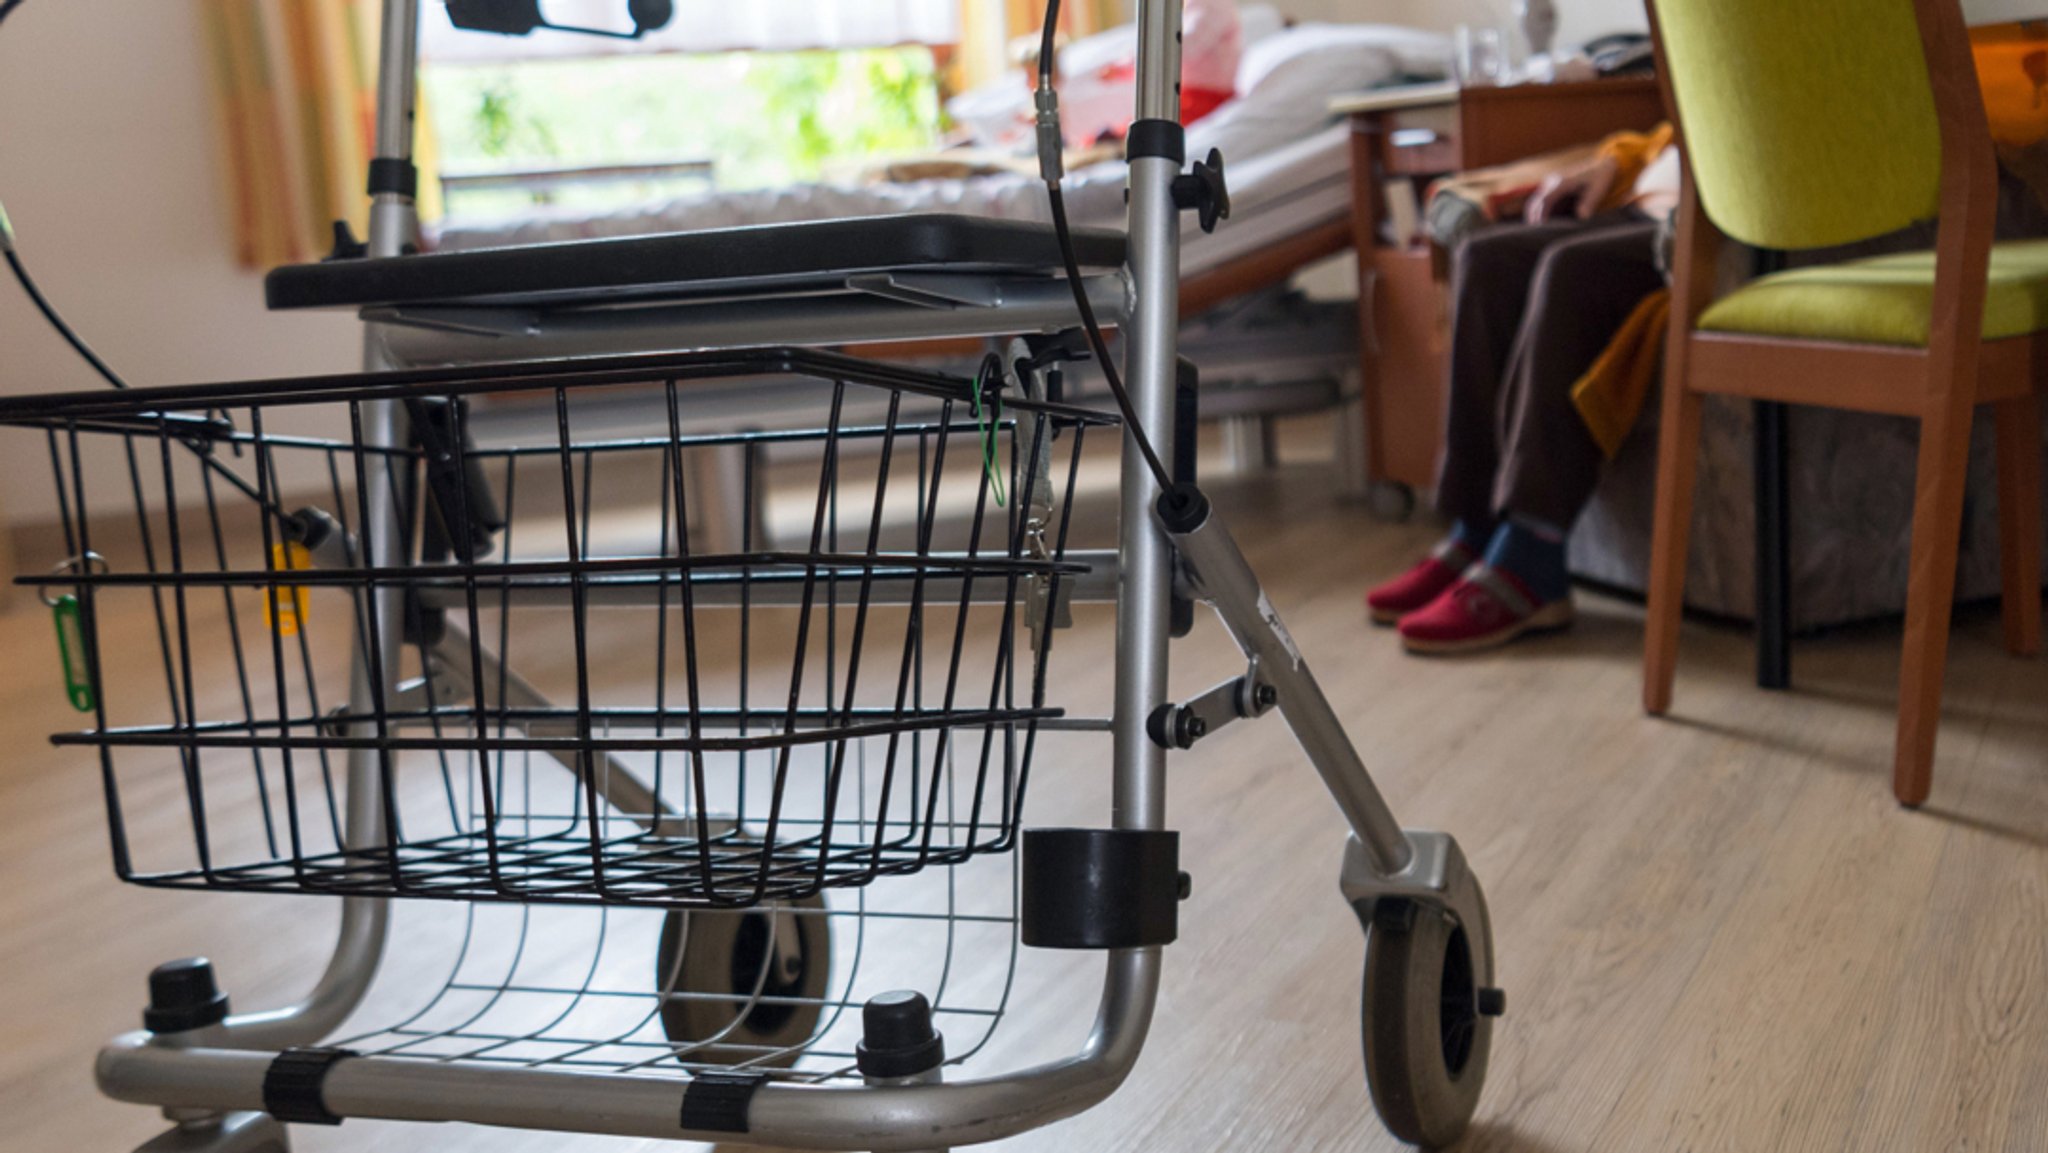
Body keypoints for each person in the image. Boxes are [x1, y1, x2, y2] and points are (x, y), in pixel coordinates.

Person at [1367, 125, 1680, 655]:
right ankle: (1477, 530)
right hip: (1646, 203)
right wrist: (1614, 162)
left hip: (1698, 223)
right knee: (1486, 259)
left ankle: (1533, 553)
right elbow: (1671, 132)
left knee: (1569, 270)